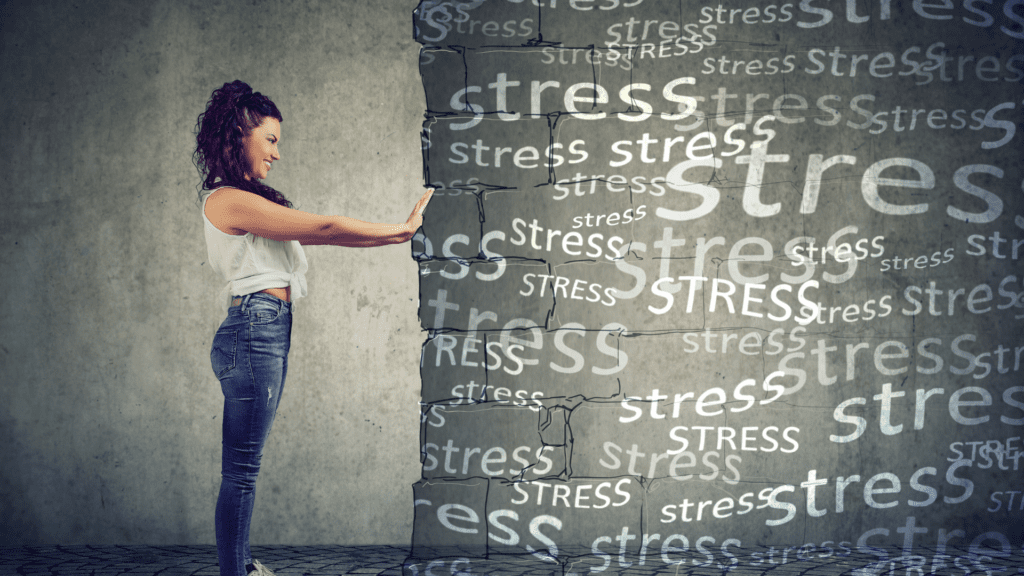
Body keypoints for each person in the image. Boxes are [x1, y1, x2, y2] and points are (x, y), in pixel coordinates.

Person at [192, 80, 432, 576]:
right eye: (271, 140)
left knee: (243, 470)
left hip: (262, 329)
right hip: (252, 331)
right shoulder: (226, 200)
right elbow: (323, 227)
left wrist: (394, 238)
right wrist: (397, 230)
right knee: (241, 471)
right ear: (240, 132)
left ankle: (238, 566)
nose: (277, 153)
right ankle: (234, 572)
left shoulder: (246, 200)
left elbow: (327, 239)